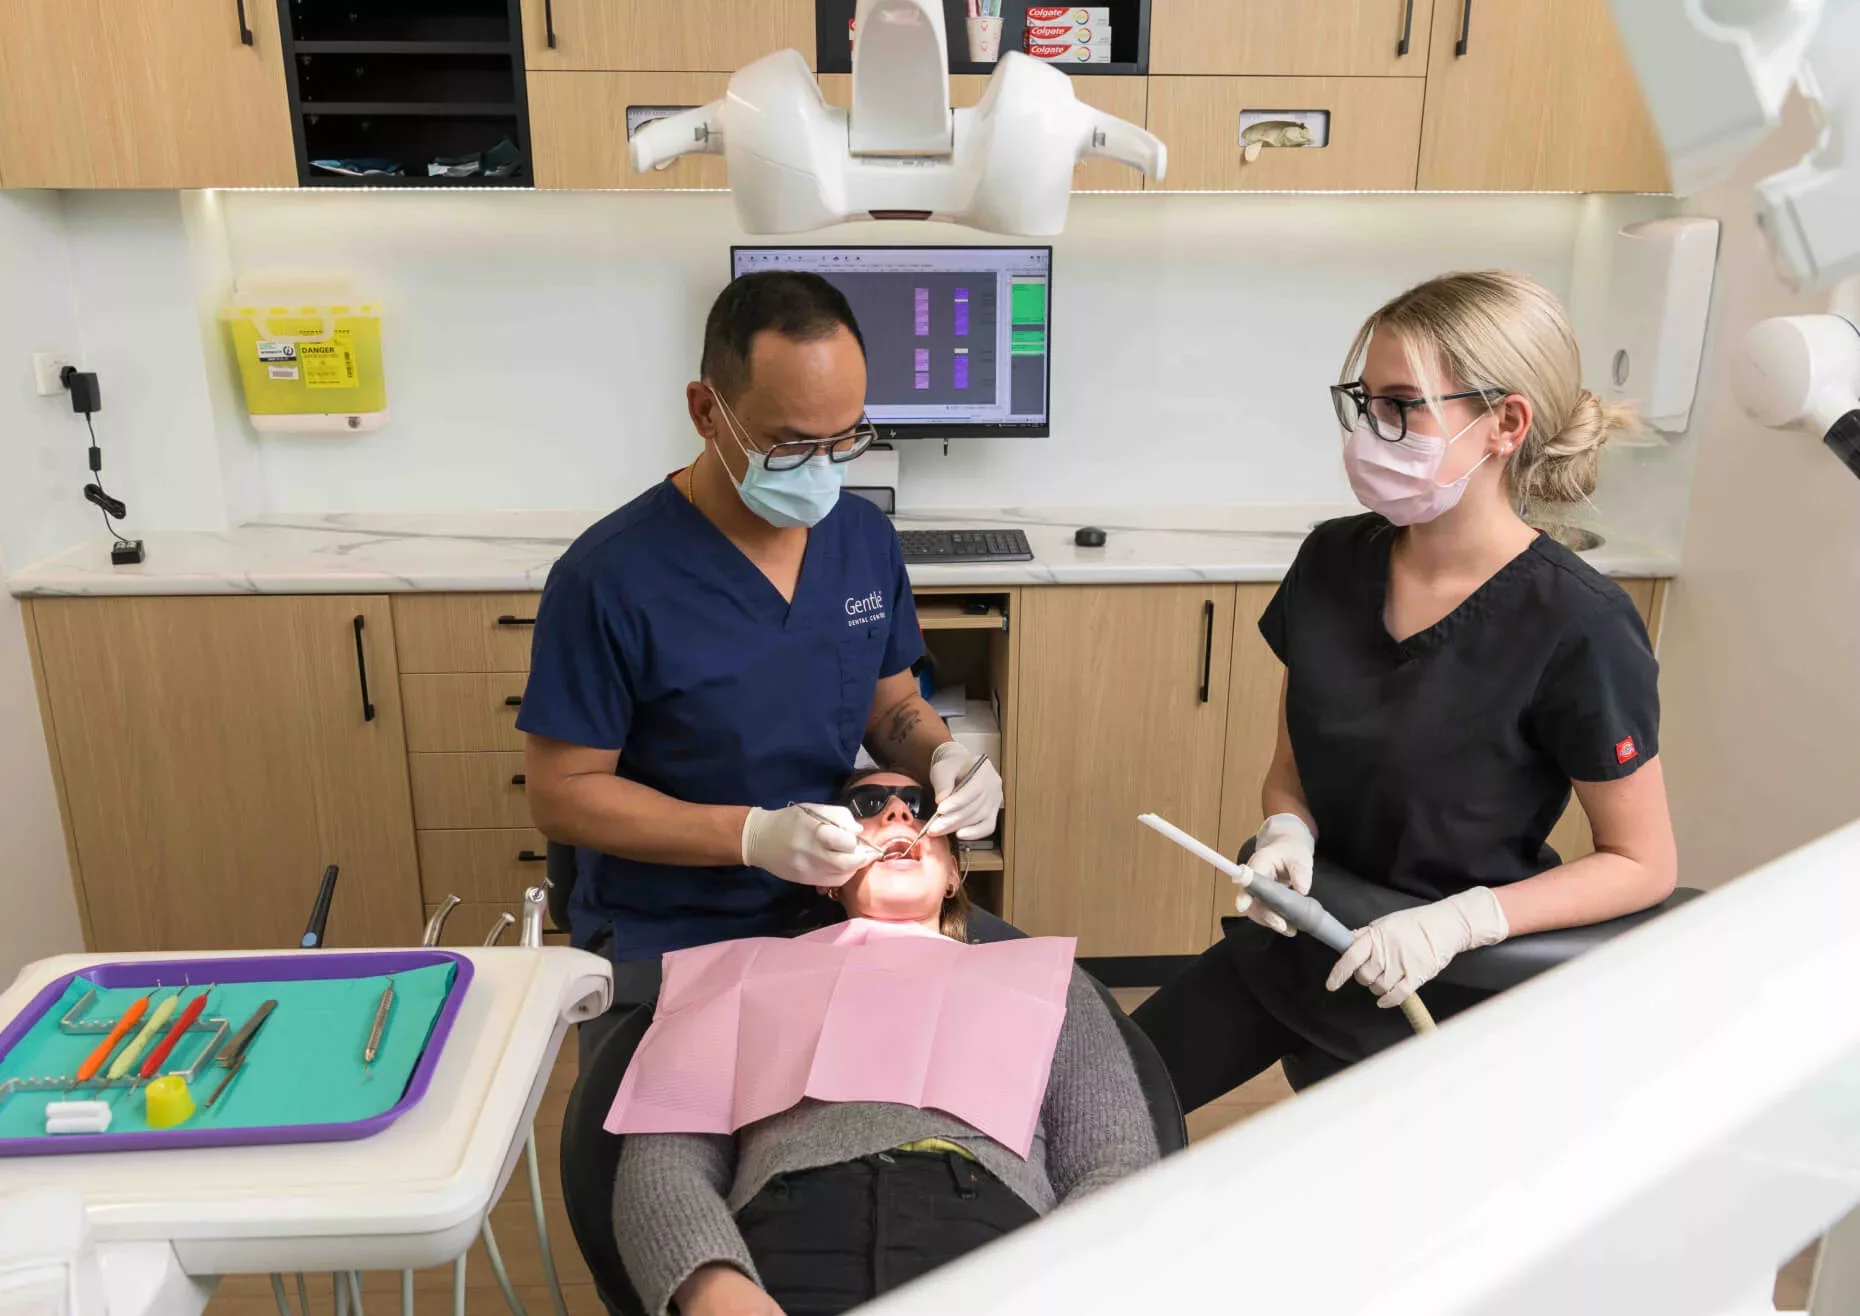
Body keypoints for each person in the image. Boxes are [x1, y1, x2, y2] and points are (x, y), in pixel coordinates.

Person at [1135, 270, 1679, 1106]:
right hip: (1307, 941)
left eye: (1402, 405)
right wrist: (1287, 829)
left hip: (1449, 984)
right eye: (1366, 403)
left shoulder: (1581, 624)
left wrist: (1455, 924)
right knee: (1096, 1108)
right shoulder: (1331, 560)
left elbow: (1642, 864)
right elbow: (1295, 768)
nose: (1373, 430)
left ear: (1504, 422)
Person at [517, 272, 1003, 1016]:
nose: (823, 467)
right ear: (707, 411)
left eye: (846, 438)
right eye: (790, 444)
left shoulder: (862, 539)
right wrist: (750, 836)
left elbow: (891, 702)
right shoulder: (607, 578)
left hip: (834, 902)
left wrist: (946, 756)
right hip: (671, 928)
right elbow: (564, 795)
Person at [612, 769, 1160, 1316]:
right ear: (824, 871)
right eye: (868, 804)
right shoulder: (736, 977)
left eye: (920, 806)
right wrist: (716, 1287)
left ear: (952, 874)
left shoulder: (1047, 980)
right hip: (784, 1243)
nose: (898, 814)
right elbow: (663, 1164)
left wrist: (1056, 1281)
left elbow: (1116, 1157)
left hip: (997, 1250)